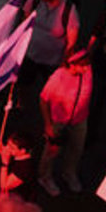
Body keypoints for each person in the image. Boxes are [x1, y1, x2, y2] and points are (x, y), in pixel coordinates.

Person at [38, 48, 93, 196]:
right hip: (58, 120)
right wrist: (48, 125)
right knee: (52, 151)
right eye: (83, 66)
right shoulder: (58, 77)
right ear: (72, 65)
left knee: (76, 149)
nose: (87, 68)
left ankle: (69, 173)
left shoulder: (87, 71)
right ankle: (45, 177)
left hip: (80, 119)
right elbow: (43, 100)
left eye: (87, 65)